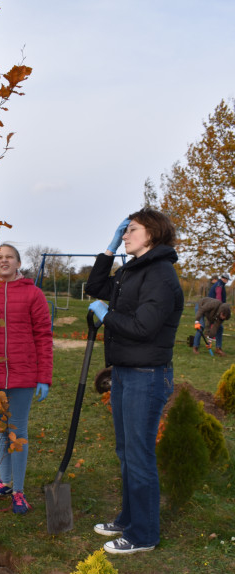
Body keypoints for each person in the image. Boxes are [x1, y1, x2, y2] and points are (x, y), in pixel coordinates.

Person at [86, 208, 184, 555]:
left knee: (139, 456)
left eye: (131, 231)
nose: (126, 235)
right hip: (126, 372)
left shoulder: (160, 274)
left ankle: (143, 535)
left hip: (147, 376)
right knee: (126, 451)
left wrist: (106, 315)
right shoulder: (133, 269)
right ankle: (129, 518)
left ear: (152, 234)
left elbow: (144, 328)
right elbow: (95, 287)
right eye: (123, 231)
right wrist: (109, 249)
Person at [0, 244, 53, 514]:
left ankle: (19, 491)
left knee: (17, 432)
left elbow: (44, 336)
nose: (4, 261)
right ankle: (4, 481)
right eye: (0, 257)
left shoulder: (33, 294)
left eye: (10, 257)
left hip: (24, 374)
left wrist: (43, 377)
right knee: (0, 429)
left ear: (19, 263)